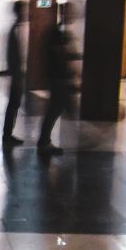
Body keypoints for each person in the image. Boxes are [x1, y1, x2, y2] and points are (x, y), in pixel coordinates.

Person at [37, 10, 76, 156]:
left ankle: (44, 140)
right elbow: (59, 55)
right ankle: (44, 141)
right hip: (58, 78)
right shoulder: (56, 33)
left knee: (55, 109)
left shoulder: (58, 32)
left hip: (57, 77)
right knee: (54, 109)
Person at [2, 0, 26, 147]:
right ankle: (7, 134)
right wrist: (16, 75)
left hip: (17, 74)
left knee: (14, 104)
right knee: (13, 104)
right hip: (16, 75)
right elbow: (13, 55)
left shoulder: (16, 29)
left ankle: (8, 133)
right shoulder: (15, 30)